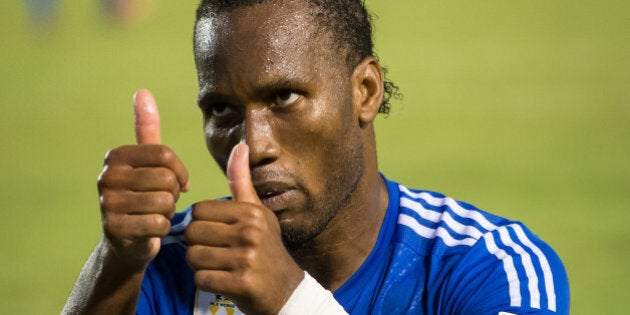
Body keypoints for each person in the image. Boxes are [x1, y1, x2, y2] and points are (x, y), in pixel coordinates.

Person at [63, 0, 570, 314]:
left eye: (284, 97)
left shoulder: (487, 267)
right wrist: (119, 261)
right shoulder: (173, 263)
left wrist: (289, 299)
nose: (254, 144)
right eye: (222, 109)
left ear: (365, 91)